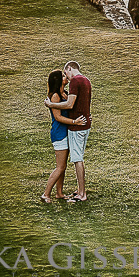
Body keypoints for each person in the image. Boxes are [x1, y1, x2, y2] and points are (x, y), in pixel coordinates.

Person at [40, 70, 87, 203]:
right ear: (57, 81)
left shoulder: (64, 93)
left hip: (65, 132)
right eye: (62, 76)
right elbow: (58, 117)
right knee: (60, 167)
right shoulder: (55, 96)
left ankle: (59, 193)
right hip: (59, 133)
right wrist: (74, 122)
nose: (65, 77)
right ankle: (45, 194)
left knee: (63, 166)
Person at [63, 61, 94, 201]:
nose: (66, 77)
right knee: (78, 157)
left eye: (66, 73)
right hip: (85, 124)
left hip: (77, 126)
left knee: (77, 159)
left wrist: (50, 104)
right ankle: (80, 190)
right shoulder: (86, 80)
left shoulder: (75, 81)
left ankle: (82, 194)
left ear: (70, 68)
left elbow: (70, 104)